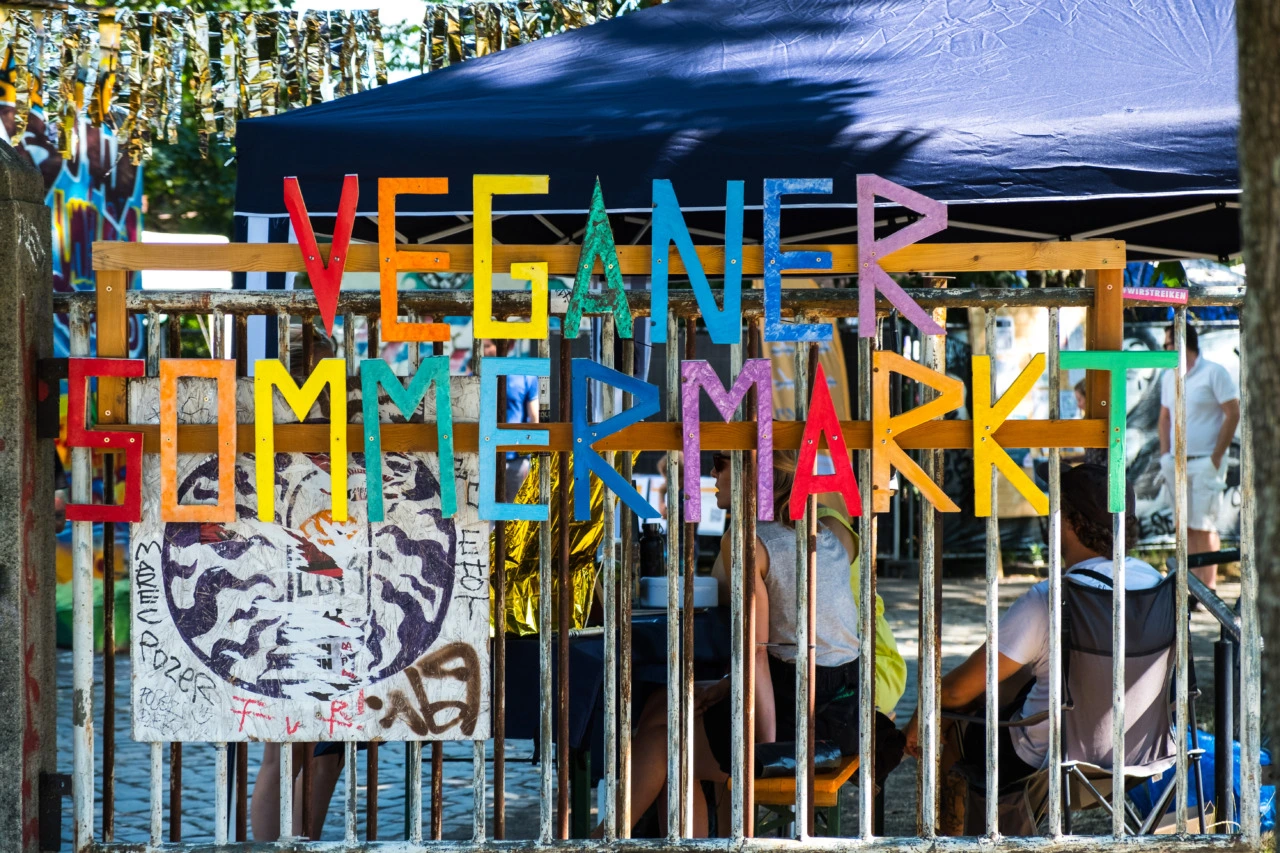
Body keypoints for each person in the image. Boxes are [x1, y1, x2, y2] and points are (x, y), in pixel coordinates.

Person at [614, 450, 902, 837]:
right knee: (661, 705)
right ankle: (689, 842)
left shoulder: (752, 543)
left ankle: (604, 838)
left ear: (757, 473)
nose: (711, 471)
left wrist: (767, 753)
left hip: (801, 718)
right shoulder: (829, 532)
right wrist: (724, 688)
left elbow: (758, 654)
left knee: (663, 742)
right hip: (847, 712)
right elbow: (809, 636)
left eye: (721, 461)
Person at [902, 463, 1162, 835]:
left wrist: (923, 710)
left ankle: (965, 839)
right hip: (1140, 752)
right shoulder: (1154, 585)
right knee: (1014, 680)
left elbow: (958, 690)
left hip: (1046, 758)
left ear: (1070, 523)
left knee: (953, 712)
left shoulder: (1051, 599)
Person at [1158, 323, 1239, 592]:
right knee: (1185, 525)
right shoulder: (1168, 376)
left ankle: (1210, 588)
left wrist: (1216, 456)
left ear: (1182, 342)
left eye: (1167, 344)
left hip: (1206, 461)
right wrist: (1164, 456)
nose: (1164, 349)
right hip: (1176, 463)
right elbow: (1164, 417)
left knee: (1204, 526)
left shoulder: (1214, 372)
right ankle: (1192, 588)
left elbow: (1233, 413)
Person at [481, 339, 540, 501]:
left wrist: (531, 453)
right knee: (488, 517)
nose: (484, 352)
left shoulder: (525, 375)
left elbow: (534, 418)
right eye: (482, 347)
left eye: (488, 346)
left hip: (517, 458)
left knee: (516, 515)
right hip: (487, 457)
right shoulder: (479, 374)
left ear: (505, 347)